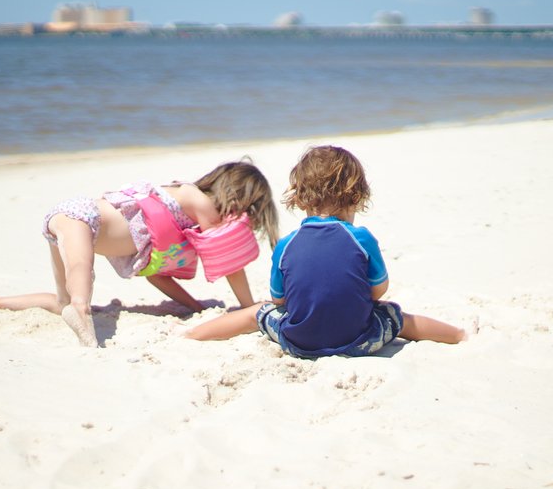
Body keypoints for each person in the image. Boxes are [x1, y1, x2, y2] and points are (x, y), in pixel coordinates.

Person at [0, 158, 279, 346]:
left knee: (62, 299)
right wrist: (248, 306)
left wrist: (191, 305)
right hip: (82, 216)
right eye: (244, 214)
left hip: (67, 222)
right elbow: (228, 259)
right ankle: (83, 316)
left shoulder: (172, 223)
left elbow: (155, 273)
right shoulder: (195, 199)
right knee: (80, 269)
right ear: (237, 199)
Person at [183, 145, 466, 355]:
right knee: (397, 317)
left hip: (298, 342)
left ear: (301, 199)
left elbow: (278, 301)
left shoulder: (286, 245)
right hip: (360, 339)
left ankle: (194, 335)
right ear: (355, 198)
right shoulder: (361, 238)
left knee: (256, 313)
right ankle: (459, 335)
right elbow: (379, 291)